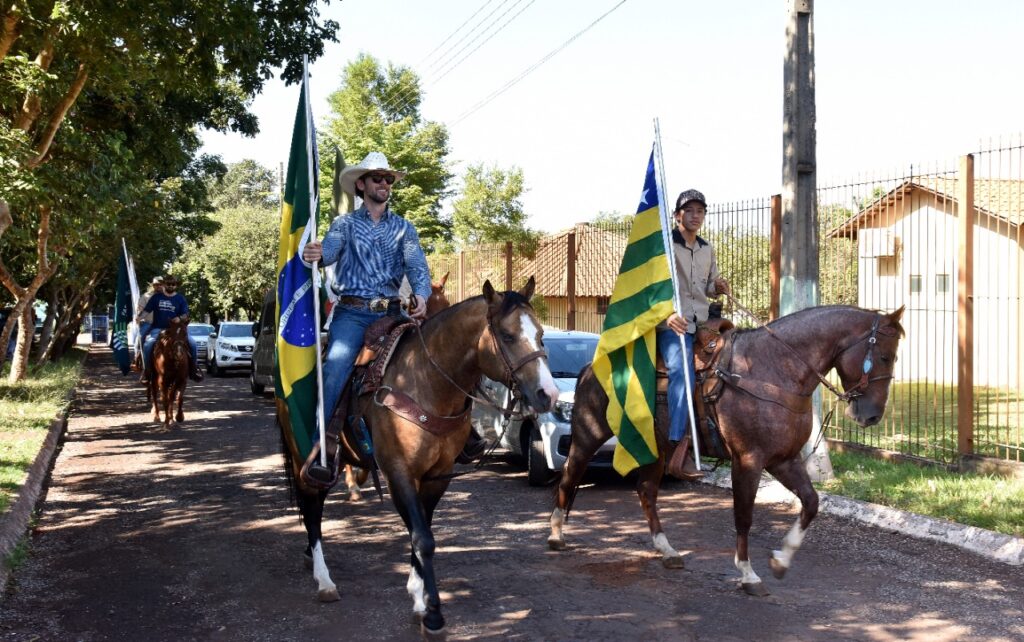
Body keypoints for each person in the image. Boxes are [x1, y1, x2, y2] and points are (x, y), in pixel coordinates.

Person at [301, 151, 431, 431]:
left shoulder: (404, 228)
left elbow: (417, 267)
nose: (384, 183)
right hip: (353, 315)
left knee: (433, 356)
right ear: (361, 184)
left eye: (388, 179)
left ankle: (460, 435)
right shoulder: (344, 224)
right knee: (335, 367)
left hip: (393, 314)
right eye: (377, 178)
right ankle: (319, 442)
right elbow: (328, 252)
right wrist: (315, 254)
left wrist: (422, 294)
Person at [657, 189, 730, 480]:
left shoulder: (706, 249)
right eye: (689, 210)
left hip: (703, 324)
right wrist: (666, 314)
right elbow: (652, 287)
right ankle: (678, 446)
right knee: (682, 372)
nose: (695, 215)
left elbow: (709, 286)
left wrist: (718, 286)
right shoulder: (664, 246)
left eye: (700, 211)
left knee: (734, 362)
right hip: (673, 325)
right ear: (678, 215)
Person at [138, 274, 203, 382]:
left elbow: (186, 314)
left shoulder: (180, 298)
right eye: (168, 284)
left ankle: (193, 369)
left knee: (193, 344)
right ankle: (147, 371)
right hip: (159, 328)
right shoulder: (156, 297)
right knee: (148, 345)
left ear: (176, 286)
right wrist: (139, 317)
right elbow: (147, 310)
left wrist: (179, 318)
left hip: (176, 330)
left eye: (173, 284)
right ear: (164, 284)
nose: (171, 286)